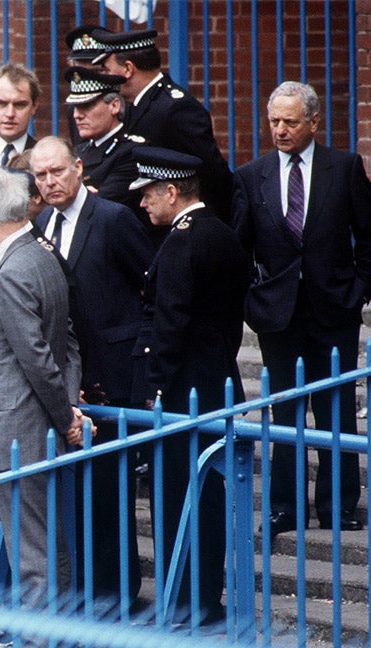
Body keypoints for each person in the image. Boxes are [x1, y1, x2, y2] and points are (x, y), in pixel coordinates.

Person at [233, 81, 371, 537]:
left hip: (334, 308)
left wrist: (358, 289)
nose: (280, 130)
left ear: (313, 122)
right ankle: (286, 507)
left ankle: (339, 505)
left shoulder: (344, 168)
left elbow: (367, 236)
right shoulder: (252, 175)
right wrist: (255, 295)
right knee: (286, 410)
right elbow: (239, 248)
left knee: (335, 409)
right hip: (278, 313)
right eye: (274, 121)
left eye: (290, 122)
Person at [31, 135, 153, 601]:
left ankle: (118, 590)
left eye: (57, 171)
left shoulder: (113, 218)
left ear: (78, 168)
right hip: (72, 376)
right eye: (40, 176)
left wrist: (137, 365)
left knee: (110, 490)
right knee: (77, 490)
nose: (49, 182)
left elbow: (149, 288)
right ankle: (85, 587)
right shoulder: (42, 221)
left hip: (114, 374)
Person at [133, 147, 249, 623]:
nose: (142, 204)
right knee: (209, 495)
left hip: (184, 390)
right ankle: (204, 596)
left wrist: (154, 385)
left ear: (172, 191)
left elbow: (170, 322)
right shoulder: (220, 234)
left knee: (177, 495)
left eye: (148, 195)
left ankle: (184, 599)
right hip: (216, 379)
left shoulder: (182, 240)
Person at [0, 166, 84, 609]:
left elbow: (37, 357)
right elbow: (67, 343)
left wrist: (66, 415)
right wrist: (67, 404)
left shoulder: (15, 267)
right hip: (33, 426)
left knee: (32, 551)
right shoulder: (39, 254)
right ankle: (52, 642)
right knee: (43, 543)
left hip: (18, 428)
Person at [92, 27, 233, 220]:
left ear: (127, 69)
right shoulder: (137, 105)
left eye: (107, 70)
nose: (105, 77)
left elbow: (212, 176)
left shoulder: (176, 109)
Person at [66, 66, 148, 220]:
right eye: (75, 107)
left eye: (86, 105)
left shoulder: (132, 152)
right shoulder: (79, 150)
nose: (77, 115)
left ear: (114, 105)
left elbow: (97, 208)